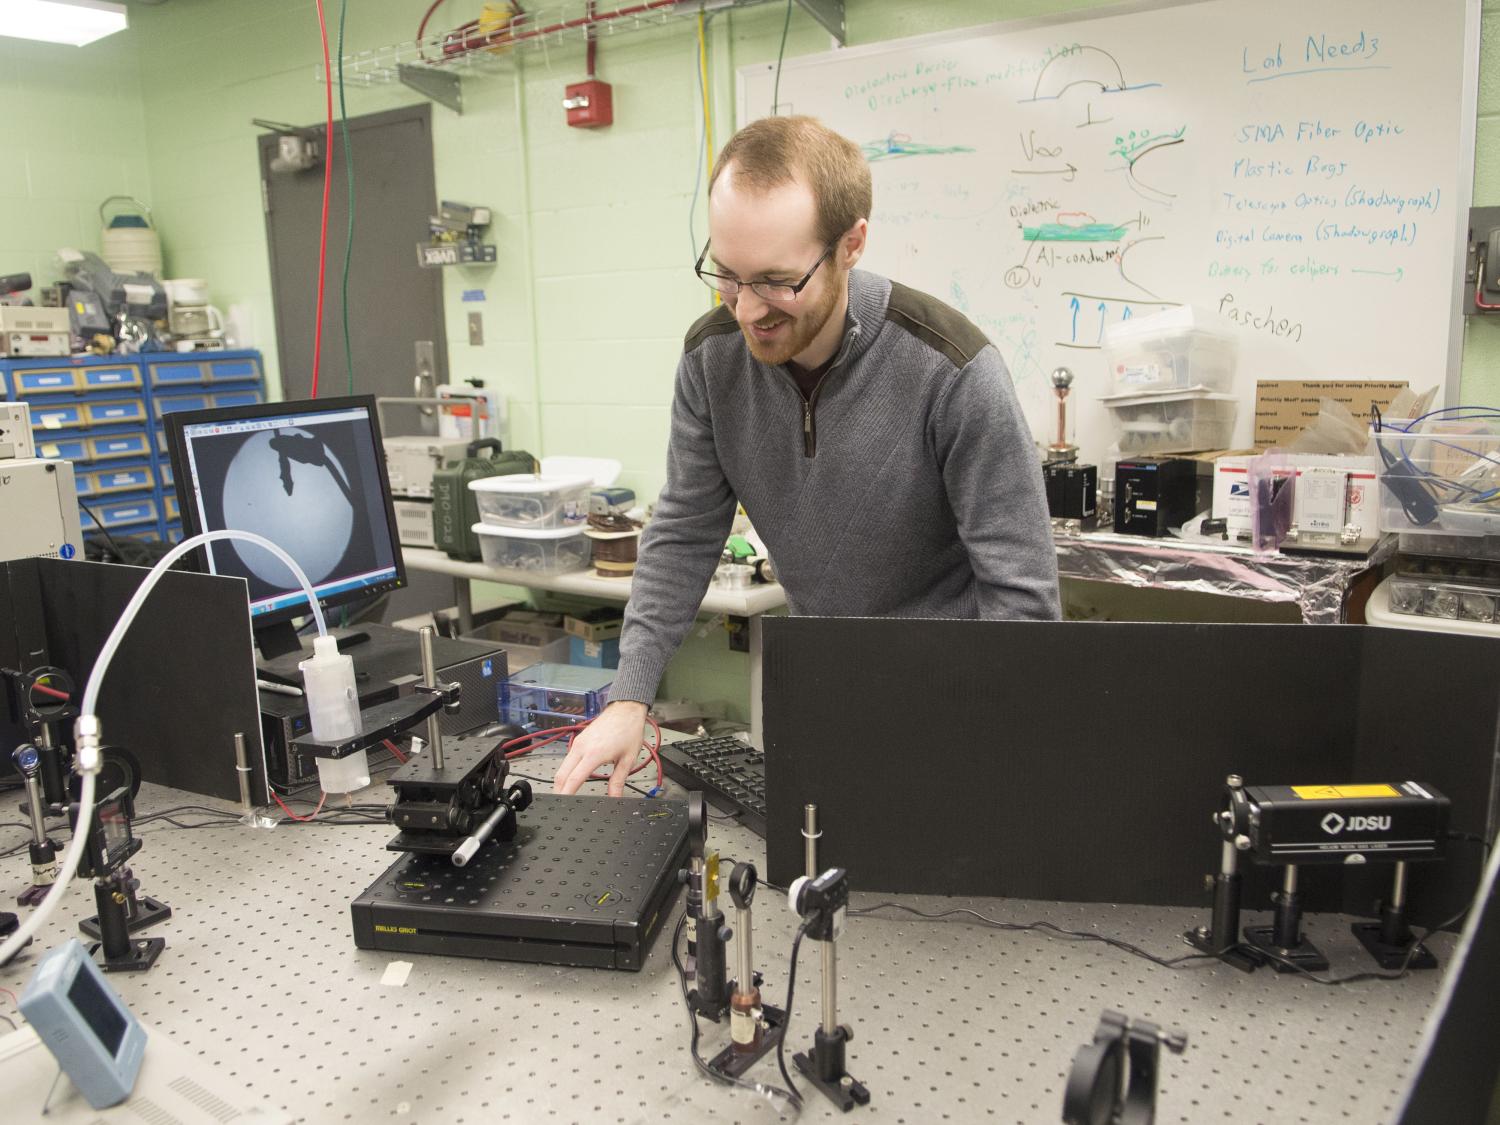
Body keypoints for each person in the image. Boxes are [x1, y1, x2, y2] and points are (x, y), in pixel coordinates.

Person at [554, 115, 1060, 796]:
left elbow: (1022, 600)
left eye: (775, 281)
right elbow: (682, 536)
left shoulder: (952, 369)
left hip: (955, 698)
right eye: (727, 276)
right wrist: (629, 696)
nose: (746, 310)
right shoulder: (711, 363)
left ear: (851, 244)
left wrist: (994, 748)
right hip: (827, 692)